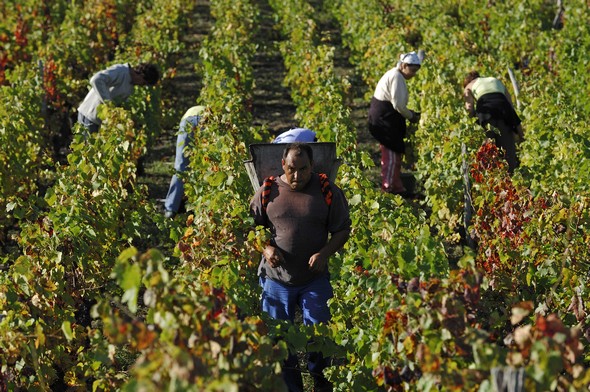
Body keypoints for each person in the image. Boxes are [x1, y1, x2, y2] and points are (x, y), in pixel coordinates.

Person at [250, 142, 351, 392]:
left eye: (303, 169)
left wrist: (325, 253)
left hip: (314, 278)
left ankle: (320, 383)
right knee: (279, 340)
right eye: (292, 169)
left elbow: (342, 229)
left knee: (319, 334)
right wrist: (266, 248)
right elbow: (250, 228)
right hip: (276, 279)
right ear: (283, 165)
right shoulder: (268, 190)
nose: (297, 175)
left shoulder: (327, 190)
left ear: (312, 166)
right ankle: (290, 386)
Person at [368, 51, 421, 195]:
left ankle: (397, 187)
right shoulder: (396, 76)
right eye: (412, 70)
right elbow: (398, 105)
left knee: (395, 153)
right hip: (384, 119)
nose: (413, 74)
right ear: (403, 65)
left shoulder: (397, 75)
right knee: (390, 155)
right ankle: (388, 187)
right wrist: (411, 116)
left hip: (386, 118)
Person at [462, 71, 524, 173]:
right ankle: (511, 176)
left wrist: (471, 121)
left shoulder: (469, 85)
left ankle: (488, 176)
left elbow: (469, 108)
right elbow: (510, 105)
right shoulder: (495, 80)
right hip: (504, 110)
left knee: (487, 149)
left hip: (486, 112)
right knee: (508, 152)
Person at [77, 62, 160, 134]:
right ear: (141, 75)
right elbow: (96, 79)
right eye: (143, 83)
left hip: (98, 121)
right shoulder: (121, 71)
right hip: (88, 115)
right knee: (87, 149)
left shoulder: (130, 86)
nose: (141, 86)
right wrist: (109, 104)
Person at [164, 105, 206, 218]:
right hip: (206, 120)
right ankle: (200, 207)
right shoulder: (211, 111)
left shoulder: (190, 111)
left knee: (181, 165)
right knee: (205, 166)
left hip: (187, 122)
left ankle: (171, 209)